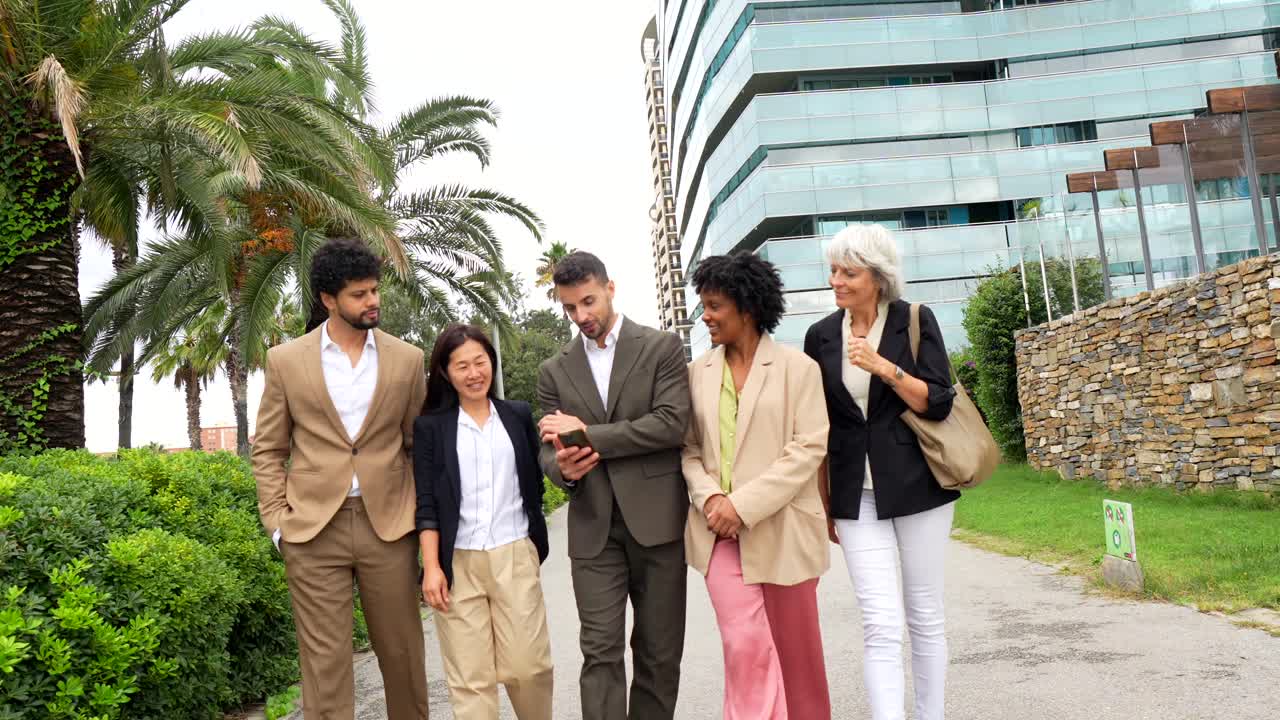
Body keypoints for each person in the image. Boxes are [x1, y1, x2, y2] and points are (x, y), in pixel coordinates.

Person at [252, 237, 430, 720]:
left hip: (388, 526)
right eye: (359, 294)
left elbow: (419, 446)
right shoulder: (286, 361)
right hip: (312, 530)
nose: (372, 301)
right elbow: (269, 448)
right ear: (329, 299)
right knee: (324, 666)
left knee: (403, 656)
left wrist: (418, 516)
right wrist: (277, 523)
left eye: (374, 290)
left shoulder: (408, 360)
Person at [802, 224, 959, 720]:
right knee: (880, 621)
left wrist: (882, 367)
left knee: (924, 615)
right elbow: (818, 425)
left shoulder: (914, 319)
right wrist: (824, 502)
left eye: (849, 272)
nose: (837, 281)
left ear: (878, 276)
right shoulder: (821, 335)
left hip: (920, 486)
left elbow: (936, 402)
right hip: (853, 494)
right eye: (833, 270)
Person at [535, 251, 691, 720]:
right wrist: (563, 467)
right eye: (570, 308)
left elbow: (670, 424)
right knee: (600, 652)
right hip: (592, 528)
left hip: (658, 524)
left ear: (610, 288)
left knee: (658, 653)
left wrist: (589, 437)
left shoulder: (660, 347)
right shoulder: (553, 371)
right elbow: (546, 447)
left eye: (588, 302)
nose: (581, 316)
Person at [681, 252, 832, 720]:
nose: (704, 316)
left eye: (714, 306)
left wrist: (741, 506)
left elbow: (808, 449)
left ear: (746, 308)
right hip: (717, 534)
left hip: (784, 528)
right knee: (743, 644)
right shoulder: (696, 373)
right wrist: (712, 500)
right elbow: (687, 451)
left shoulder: (798, 368)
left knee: (797, 652)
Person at [413, 324, 553, 720]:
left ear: (492, 362)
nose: (474, 373)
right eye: (462, 366)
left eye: (480, 361)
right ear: (445, 372)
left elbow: (534, 485)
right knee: (470, 680)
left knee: (529, 667)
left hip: (514, 553)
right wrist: (432, 568)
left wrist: (531, 542)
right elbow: (426, 503)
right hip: (458, 562)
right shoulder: (431, 429)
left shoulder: (517, 415)